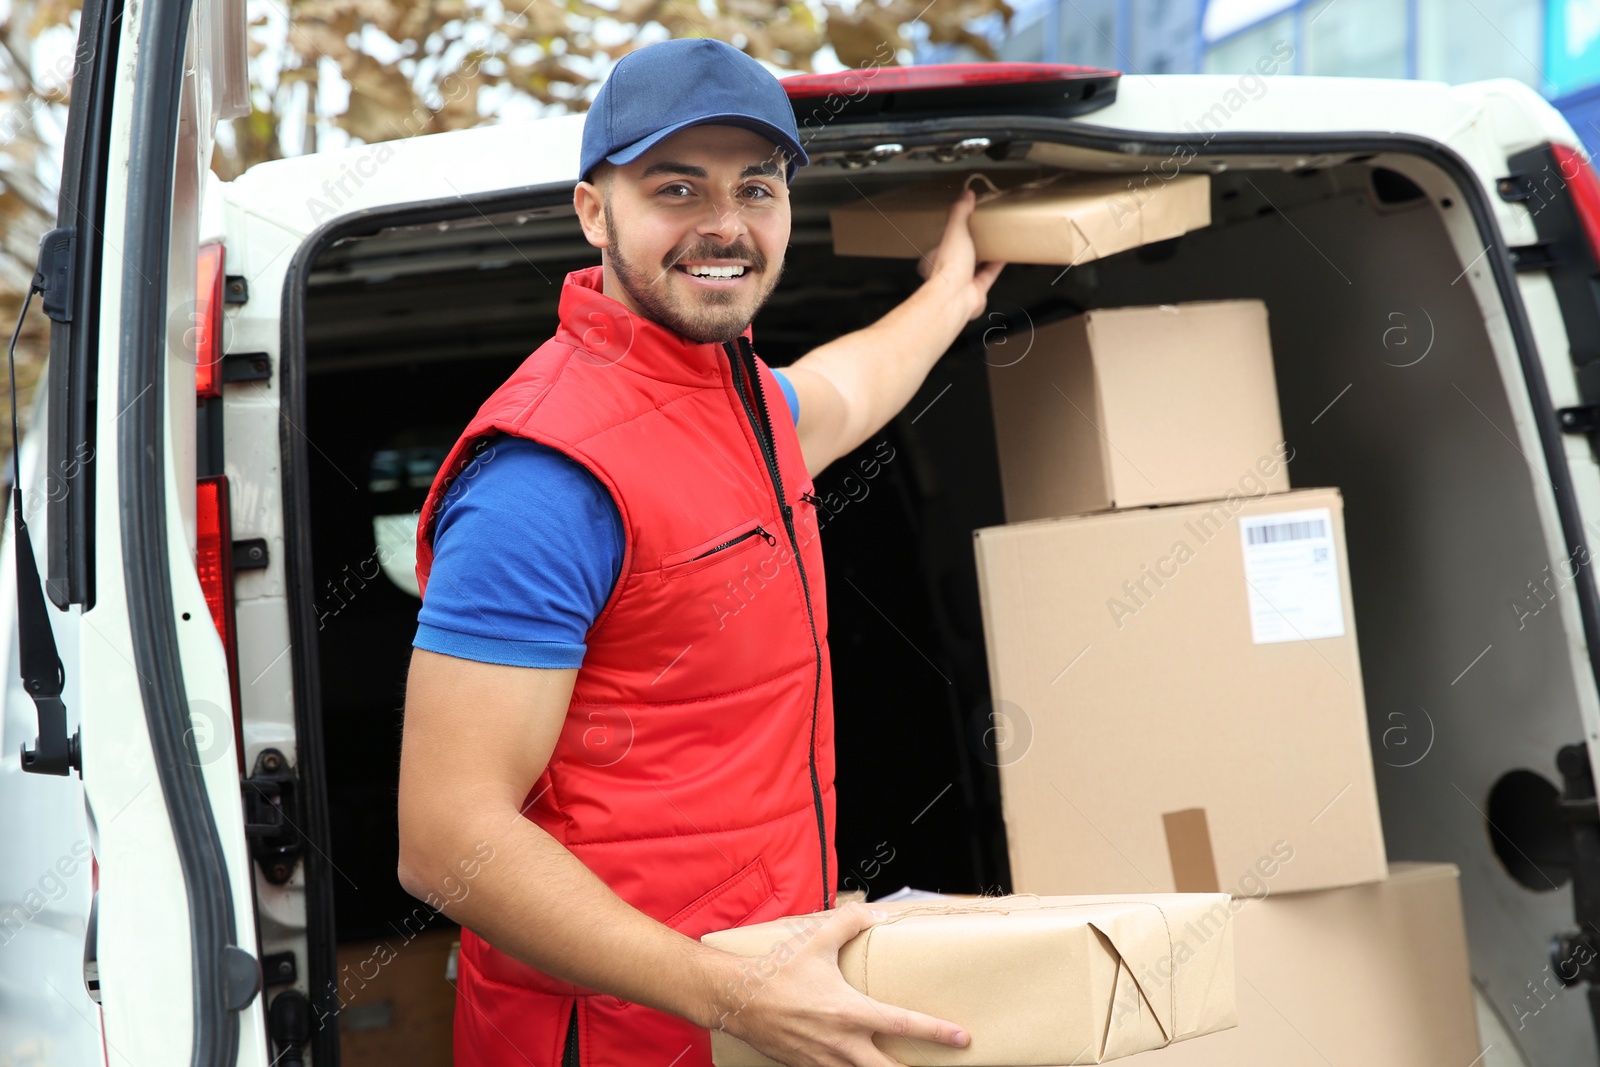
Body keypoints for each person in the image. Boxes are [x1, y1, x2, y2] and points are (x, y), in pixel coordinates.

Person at [397, 36, 1004, 1067]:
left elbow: (844, 390)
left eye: (755, 187)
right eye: (676, 188)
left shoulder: (740, 402)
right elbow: (447, 840)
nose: (725, 226)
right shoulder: (543, 479)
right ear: (595, 212)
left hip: (760, 1008)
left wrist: (952, 292)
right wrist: (734, 995)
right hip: (623, 1035)